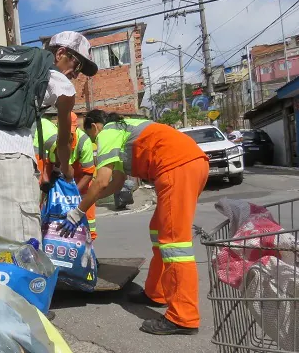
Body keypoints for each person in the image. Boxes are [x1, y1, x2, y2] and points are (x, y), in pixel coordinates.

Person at [62, 110, 209, 335]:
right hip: (187, 163)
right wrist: (86, 200)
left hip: (176, 167)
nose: (93, 141)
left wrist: (77, 211)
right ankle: (156, 292)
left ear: (95, 126)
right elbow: (115, 183)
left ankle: (184, 317)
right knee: (159, 230)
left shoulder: (108, 132)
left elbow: (101, 181)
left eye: (90, 135)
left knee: (174, 243)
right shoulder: (125, 131)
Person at [0, 31, 98, 243]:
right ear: (61, 53)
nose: (77, 73)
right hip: (9, 155)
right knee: (19, 242)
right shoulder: (59, 82)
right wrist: (65, 171)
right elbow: (64, 141)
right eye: (78, 65)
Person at [49, 112, 97, 239]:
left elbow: (88, 173)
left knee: (88, 226)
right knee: (59, 223)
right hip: (63, 183)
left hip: (82, 184)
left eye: (70, 132)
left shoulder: (84, 141)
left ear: (75, 127)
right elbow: (54, 170)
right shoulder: (55, 143)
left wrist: (73, 193)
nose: (68, 135)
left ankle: (88, 250)